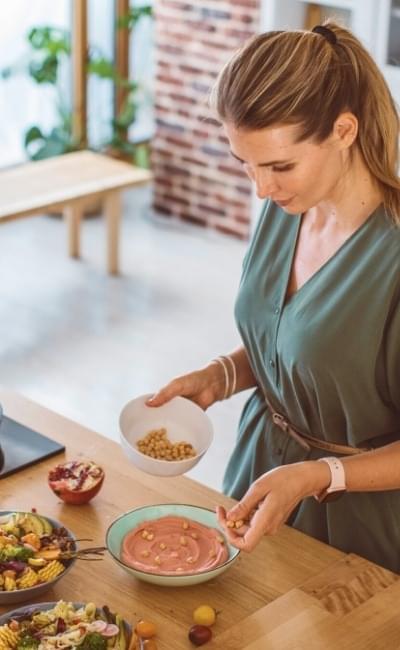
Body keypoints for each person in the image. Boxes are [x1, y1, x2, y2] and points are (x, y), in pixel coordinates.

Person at [146, 21, 400, 572]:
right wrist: (224, 376)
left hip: (366, 525)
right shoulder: (287, 206)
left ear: (344, 130)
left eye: (279, 165)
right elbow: (303, 345)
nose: (261, 188)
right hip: (260, 482)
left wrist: (320, 475)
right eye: (246, 164)